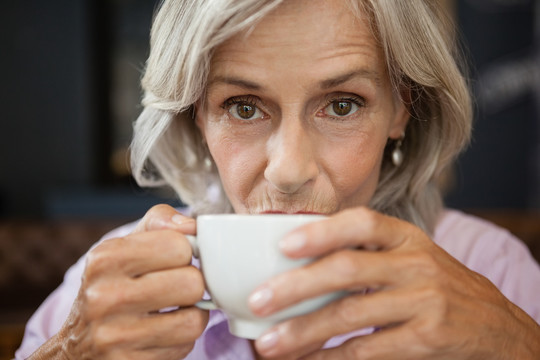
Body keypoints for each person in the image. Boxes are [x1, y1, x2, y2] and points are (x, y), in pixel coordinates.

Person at [16, 0, 540, 359]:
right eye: (243, 107)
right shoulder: (115, 285)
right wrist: (68, 352)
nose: (289, 170)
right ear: (196, 118)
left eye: (342, 105)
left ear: (401, 111)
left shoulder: (491, 269)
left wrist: (520, 346)